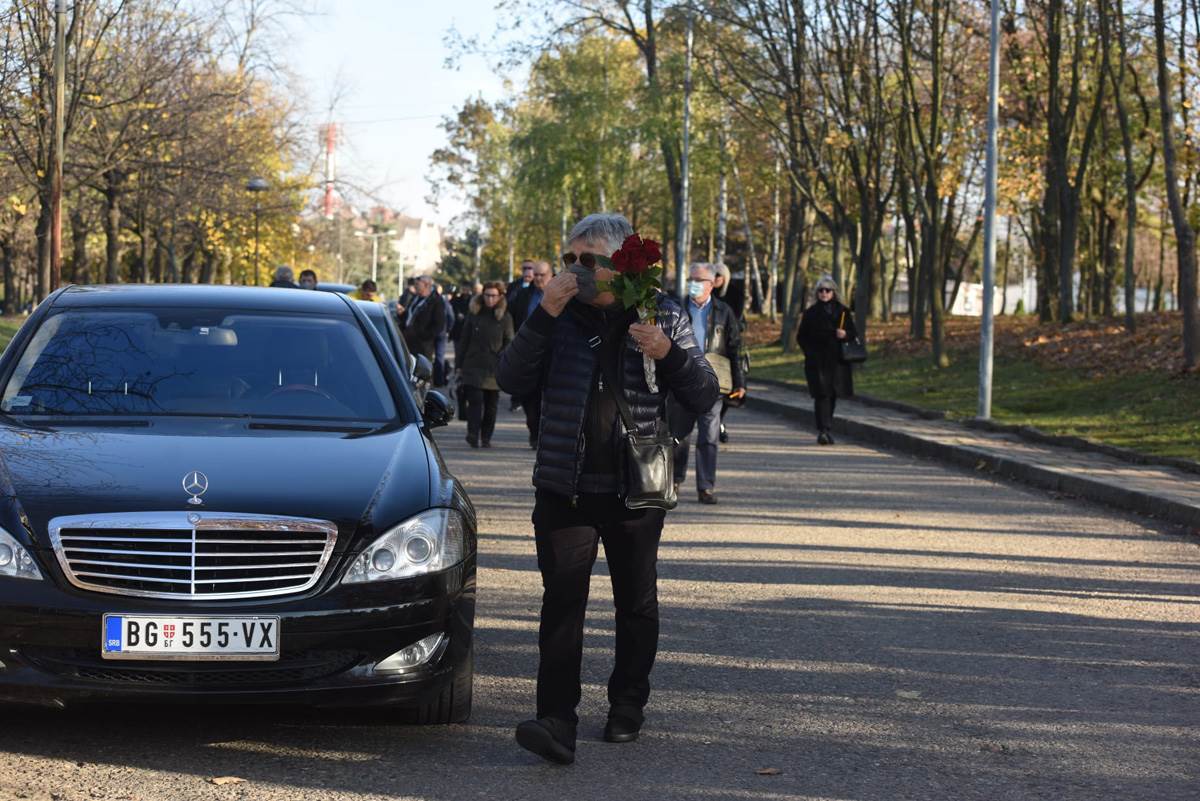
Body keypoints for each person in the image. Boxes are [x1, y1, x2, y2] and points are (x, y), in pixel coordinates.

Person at [497, 212, 719, 765]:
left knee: (635, 603)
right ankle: (556, 719)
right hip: (564, 487)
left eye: (587, 260)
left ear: (621, 265)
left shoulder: (661, 311)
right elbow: (510, 379)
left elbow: (704, 393)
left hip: (634, 489)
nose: (576, 271)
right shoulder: (553, 313)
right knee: (562, 605)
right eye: (570, 259)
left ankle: (627, 705)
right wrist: (542, 317)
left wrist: (666, 354)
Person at [670, 263, 745, 505]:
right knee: (679, 435)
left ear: (711, 284)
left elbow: (735, 348)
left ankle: (706, 487)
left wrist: (739, 382)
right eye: (691, 278)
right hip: (681, 380)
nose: (694, 283)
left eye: (699, 279)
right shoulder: (675, 307)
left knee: (709, 437)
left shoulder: (724, 311)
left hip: (713, 382)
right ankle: (675, 481)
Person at [797, 275, 858, 445]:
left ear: (834, 292)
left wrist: (845, 334)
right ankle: (823, 430)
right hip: (817, 360)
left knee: (832, 395)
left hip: (838, 361)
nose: (824, 293)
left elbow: (854, 333)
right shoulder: (811, 313)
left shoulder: (843, 311)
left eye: (827, 290)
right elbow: (801, 336)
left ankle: (827, 427)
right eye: (821, 290)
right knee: (821, 394)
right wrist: (810, 353)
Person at [456, 282, 514, 448]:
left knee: (491, 405)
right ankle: (472, 434)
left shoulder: (504, 317)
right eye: (487, 295)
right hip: (473, 365)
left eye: (493, 295)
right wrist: (459, 365)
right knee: (475, 400)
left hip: (494, 367)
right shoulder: (474, 314)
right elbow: (464, 340)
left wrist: (502, 357)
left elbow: (510, 341)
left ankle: (486, 436)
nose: (490, 299)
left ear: (500, 297)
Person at [511, 261, 553, 447]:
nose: (537, 278)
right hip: (528, 352)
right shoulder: (523, 295)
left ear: (551, 275)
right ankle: (534, 430)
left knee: (550, 396)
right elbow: (513, 320)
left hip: (553, 353)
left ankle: (546, 434)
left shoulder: (559, 296)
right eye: (535, 275)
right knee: (529, 396)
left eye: (541, 275)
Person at [401, 276, 446, 363]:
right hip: (409, 340)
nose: (415, 286)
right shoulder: (415, 298)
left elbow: (439, 324)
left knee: (422, 369)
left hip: (423, 344)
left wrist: (425, 335)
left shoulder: (436, 300)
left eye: (418, 284)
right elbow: (410, 315)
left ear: (426, 285)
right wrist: (402, 314)